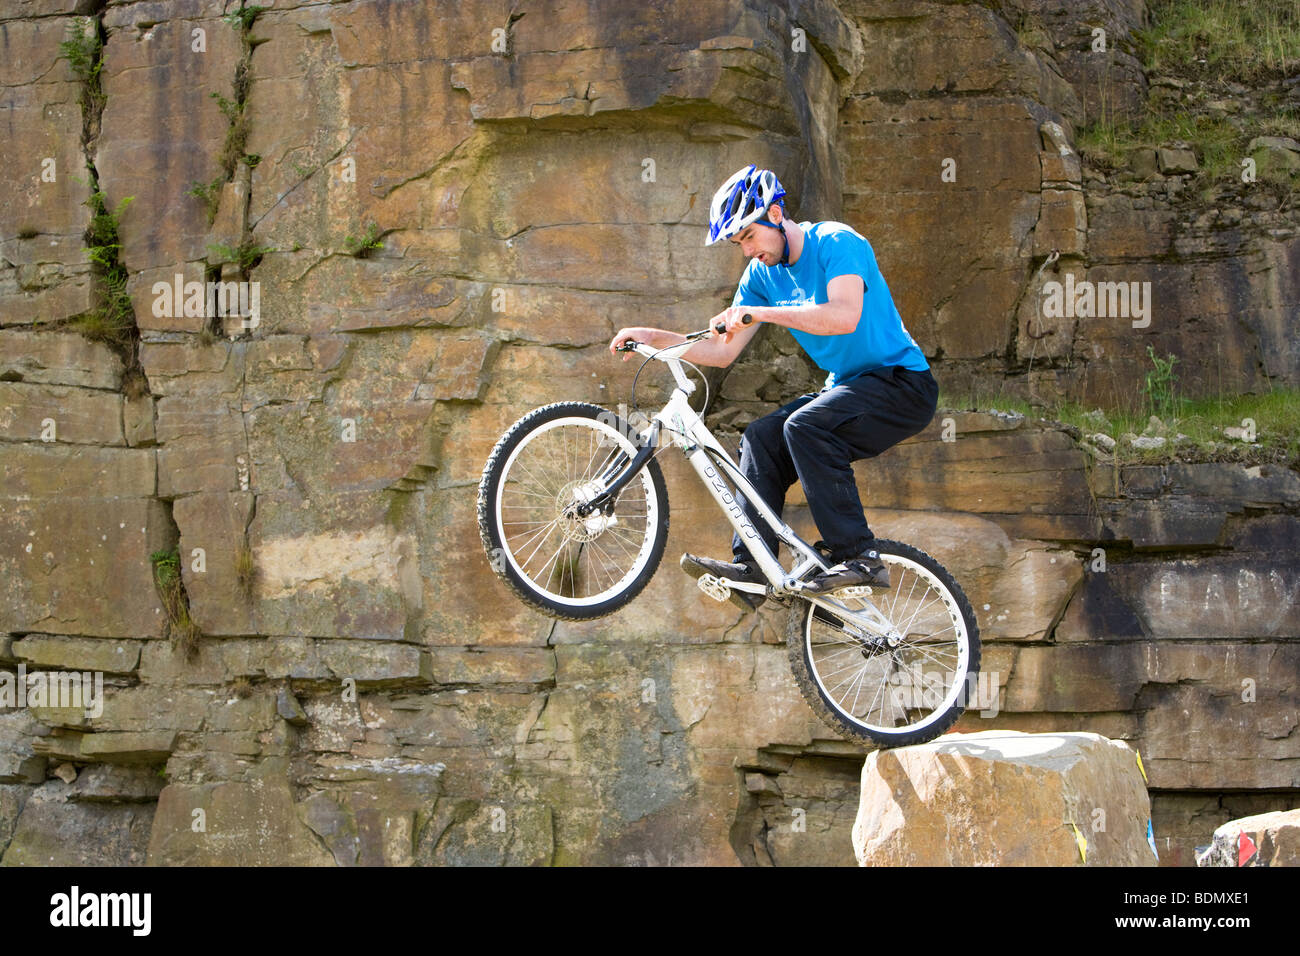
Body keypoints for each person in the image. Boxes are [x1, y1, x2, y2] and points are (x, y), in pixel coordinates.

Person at [608, 165, 938, 610]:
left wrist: (762, 314)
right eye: (738, 243)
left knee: (805, 427)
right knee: (761, 437)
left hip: (902, 384)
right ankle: (754, 569)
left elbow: (844, 317)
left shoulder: (837, 243)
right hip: (848, 388)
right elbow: (721, 352)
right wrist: (655, 337)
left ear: (777, 214)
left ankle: (860, 556)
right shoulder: (760, 278)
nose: (746, 251)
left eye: (748, 236)